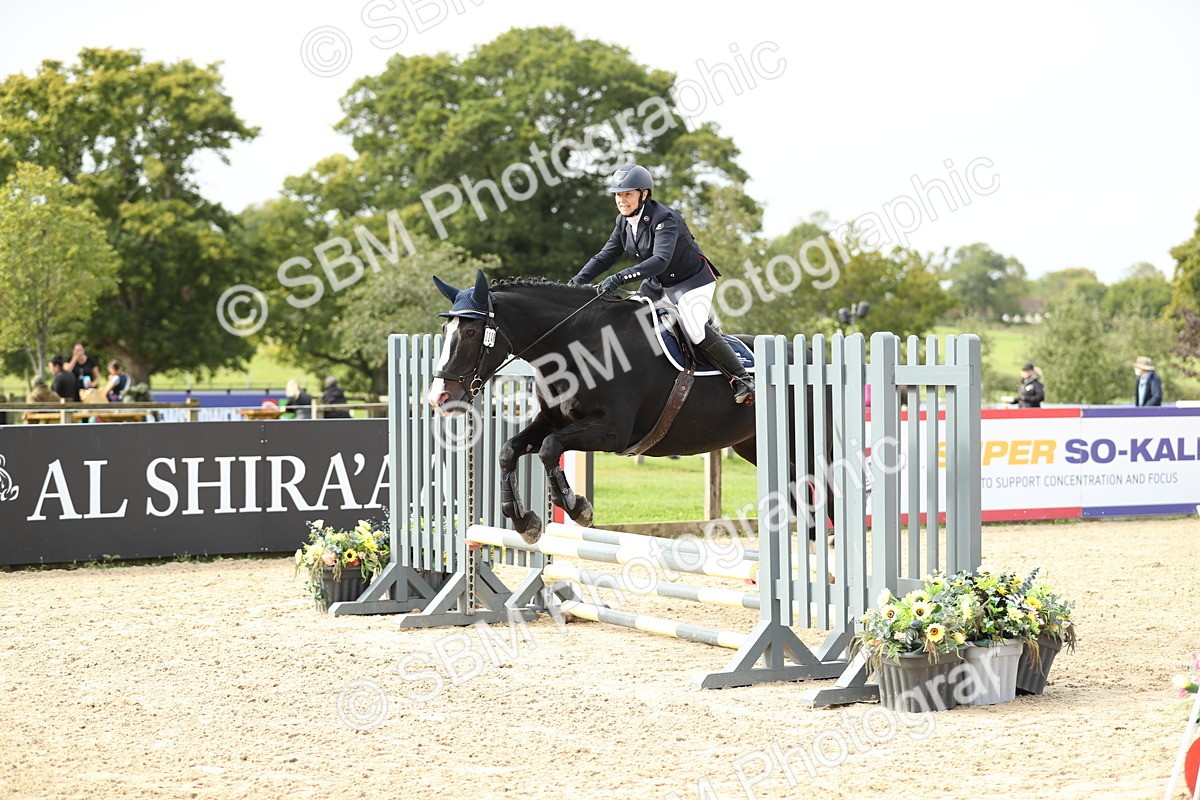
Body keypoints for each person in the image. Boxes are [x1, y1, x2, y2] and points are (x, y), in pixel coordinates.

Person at [569, 163, 754, 404]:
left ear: (644, 194)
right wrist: (574, 284)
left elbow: (660, 261)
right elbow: (604, 257)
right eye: (618, 195)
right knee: (628, 317)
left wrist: (620, 277)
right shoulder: (623, 223)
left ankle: (742, 378)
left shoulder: (664, 218)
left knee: (694, 329)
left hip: (692, 282)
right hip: (658, 285)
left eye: (627, 194)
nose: (621, 200)